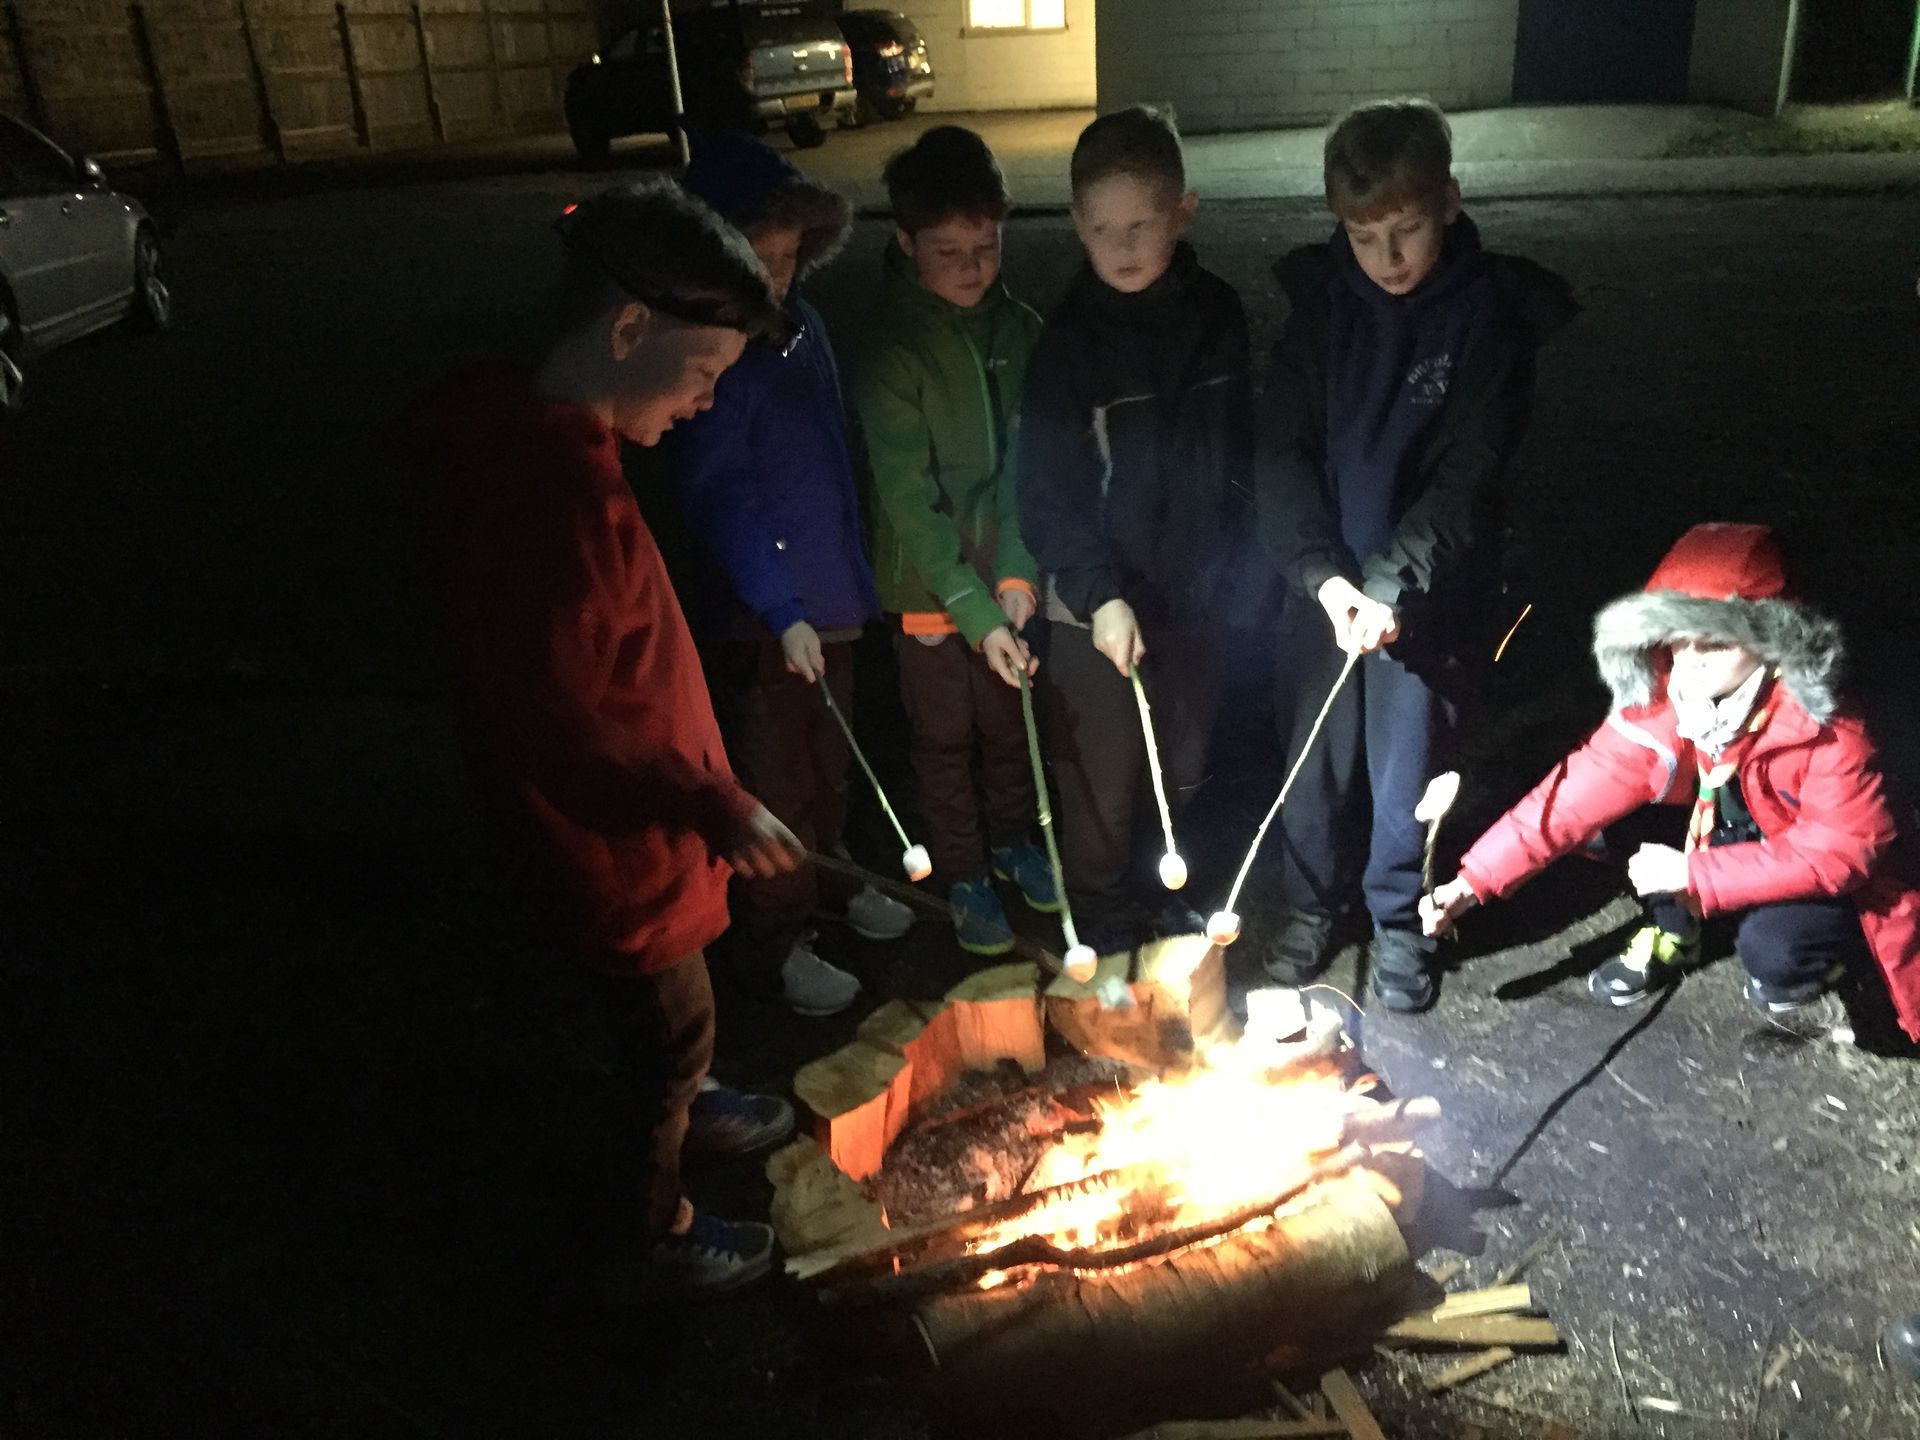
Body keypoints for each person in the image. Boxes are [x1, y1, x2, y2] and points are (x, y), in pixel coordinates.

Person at [411, 181, 808, 1296]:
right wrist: (712, 801)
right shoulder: (555, 504)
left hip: (645, 829)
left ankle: (692, 1096)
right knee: (665, 1032)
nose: (706, 402)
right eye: (703, 374)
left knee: (674, 1019)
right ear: (629, 330)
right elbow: (566, 724)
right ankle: (654, 1223)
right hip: (618, 851)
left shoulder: (558, 452)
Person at [1257, 98, 1576, 1012]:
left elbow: (1470, 472)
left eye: (1406, 232)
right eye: (1364, 238)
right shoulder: (1318, 309)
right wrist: (1320, 577)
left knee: (1412, 773)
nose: (1388, 260)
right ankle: (1312, 909)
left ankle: (1402, 918)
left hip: (1429, 597)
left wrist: (1396, 585)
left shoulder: (1488, 320)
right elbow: (1280, 452)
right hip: (1322, 590)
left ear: (1449, 203)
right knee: (1312, 766)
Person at [1423, 523, 1920, 1040]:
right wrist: (1470, 883)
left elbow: (1841, 854)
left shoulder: (1829, 728)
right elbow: (1569, 797)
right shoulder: (1671, 700)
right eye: (1678, 639)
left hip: (1812, 863)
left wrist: (1697, 875)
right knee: (1615, 827)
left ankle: (1830, 961)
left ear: (1771, 640)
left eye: (1716, 642)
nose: (1691, 659)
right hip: (1724, 830)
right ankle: (1677, 934)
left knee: (1774, 953)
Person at [672, 134, 912, 1018]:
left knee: (828, 765)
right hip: (766, 619)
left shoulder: (803, 325)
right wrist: (778, 604)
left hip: (831, 602)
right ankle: (776, 940)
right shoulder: (720, 351)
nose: (775, 273)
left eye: (787, 256)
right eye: (755, 257)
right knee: (776, 777)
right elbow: (720, 493)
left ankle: (831, 880)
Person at [1015, 106, 1252, 952]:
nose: (1122, 246)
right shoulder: (1069, 347)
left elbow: (1241, 453)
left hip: (1194, 599)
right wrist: (1098, 593)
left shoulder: (1220, 314)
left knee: (1179, 764)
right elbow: (1047, 494)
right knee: (1102, 782)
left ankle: (1160, 894)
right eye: (1102, 228)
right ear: (1077, 223)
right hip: (1099, 609)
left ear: (1182, 211)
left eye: (1141, 224)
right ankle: (1106, 920)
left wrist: (1239, 570)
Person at [847, 125, 1058, 957]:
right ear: (904, 241)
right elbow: (909, 498)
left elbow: (1022, 470)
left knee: (1009, 721)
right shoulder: (891, 349)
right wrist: (972, 607)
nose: (972, 267)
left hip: (998, 577)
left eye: (987, 245)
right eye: (948, 250)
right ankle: (966, 867)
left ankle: (1013, 841)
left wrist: (1014, 575)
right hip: (927, 584)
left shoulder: (1021, 330)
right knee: (944, 734)